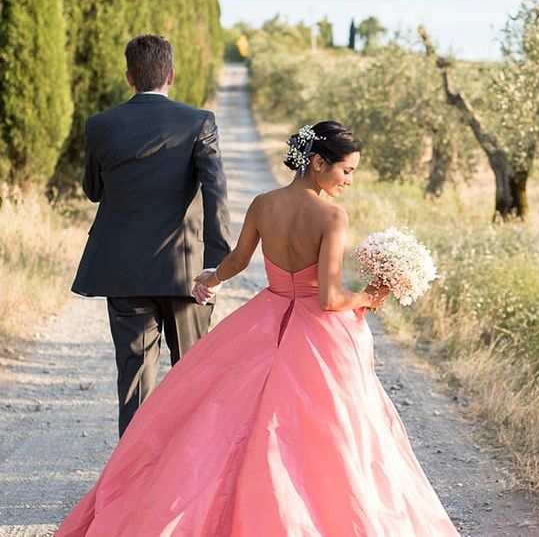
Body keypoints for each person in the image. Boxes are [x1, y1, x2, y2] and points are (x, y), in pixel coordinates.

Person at [57, 121, 459, 536]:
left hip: (263, 317)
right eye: (346, 170)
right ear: (318, 162)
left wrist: (208, 280)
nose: (350, 181)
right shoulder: (331, 217)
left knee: (231, 416)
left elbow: (236, 261)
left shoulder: (263, 203)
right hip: (314, 331)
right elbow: (328, 299)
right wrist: (371, 296)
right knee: (328, 431)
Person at [71, 34, 231, 437]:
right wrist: (216, 265)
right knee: (192, 380)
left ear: (129, 76)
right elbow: (216, 193)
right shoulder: (199, 122)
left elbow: (93, 190)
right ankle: (188, 477)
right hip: (187, 274)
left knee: (135, 386)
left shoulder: (100, 125)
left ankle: (131, 484)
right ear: (171, 74)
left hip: (124, 274)